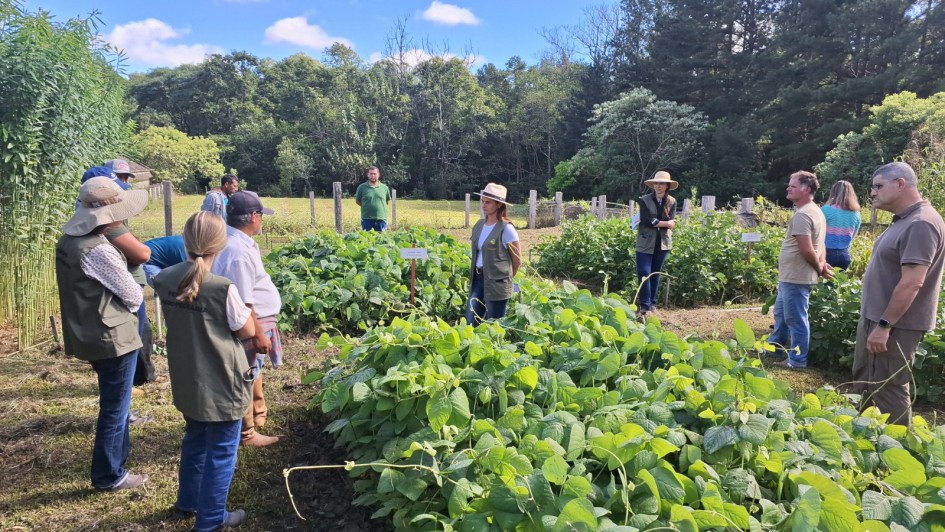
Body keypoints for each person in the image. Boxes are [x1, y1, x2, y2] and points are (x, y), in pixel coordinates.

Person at [154, 212, 255, 531]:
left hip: (186, 375)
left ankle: (188, 501)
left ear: (184, 241)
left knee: (195, 438)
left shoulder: (164, 278)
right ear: (220, 246)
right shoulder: (223, 288)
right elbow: (246, 330)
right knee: (223, 451)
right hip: (222, 379)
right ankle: (211, 520)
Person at [55, 177, 150, 491]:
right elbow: (133, 296)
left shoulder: (68, 241)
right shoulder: (99, 250)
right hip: (114, 337)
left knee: (113, 402)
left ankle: (114, 468)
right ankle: (110, 475)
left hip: (89, 333)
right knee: (116, 408)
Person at [852, 162, 945, 427]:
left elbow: (912, 283)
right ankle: (862, 446)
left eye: (878, 186)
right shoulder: (904, 220)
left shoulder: (921, 223)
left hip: (895, 325)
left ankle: (897, 452)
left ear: (901, 184)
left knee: (887, 387)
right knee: (865, 381)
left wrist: (884, 326)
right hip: (878, 319)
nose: (872, 193)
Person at [211, 191, 281, 447]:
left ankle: (257, 415)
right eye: (261, 215)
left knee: (253, 368)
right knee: (246, 372)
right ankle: (247, 433)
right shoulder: (237, 251)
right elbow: (243, 300)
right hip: (251, 323)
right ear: (253, 216)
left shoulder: (235, 241)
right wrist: (259, 333)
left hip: (255, 321)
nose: (262, 220)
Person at [769, 171, 833, 369]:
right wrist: (821, 263)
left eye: (793, 186)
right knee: (781, 313)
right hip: (791, 275)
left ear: (806, 189)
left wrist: (819, 267)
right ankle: (774, 347)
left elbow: (807, 249)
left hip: (797, 276)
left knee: (796, 319)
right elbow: (820, 245)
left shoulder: (804, 214)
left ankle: (797, 360)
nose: (788, 188)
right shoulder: (815, 211)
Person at [466, 183, 521, 325]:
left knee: (495, 325)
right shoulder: (479, 225)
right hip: (478, 279)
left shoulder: (506, 229)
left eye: (488, 202)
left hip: (497, 282)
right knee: (471, 322)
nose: (484, 205)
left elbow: (517, 260)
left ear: (498, 205)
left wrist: (504, 281)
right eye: (482, 201)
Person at [635, 171, 678, 318]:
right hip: (645, 241)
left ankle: (652, 304)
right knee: (644, 273)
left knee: (655, 274)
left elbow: (671, 219)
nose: (658, 186)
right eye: (656, 183)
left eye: (661, 183)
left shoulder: (671, 201)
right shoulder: (644, 200)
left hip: (663, 242)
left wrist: (660, 222)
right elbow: (646, 220)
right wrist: (666, 223)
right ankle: (644, 306)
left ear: (667, 186)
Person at [822, 180, 862, 270]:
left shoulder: (825, 210)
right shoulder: (856, 213)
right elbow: (853, 235)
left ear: (833, 192)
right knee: (840, 282)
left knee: (824, 283)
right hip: (844, 255)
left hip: (826, 254)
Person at [355, 166, 391, 232]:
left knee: (382, 240)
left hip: (381, 218)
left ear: (378, 175)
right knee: (366, 239)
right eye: (371, 174)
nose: (373, 176)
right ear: (368, 175)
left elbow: (387, 201)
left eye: (374, 174)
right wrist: (367, 206)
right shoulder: (362, 187)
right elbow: (357, 201)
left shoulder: (384, 188)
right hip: (367, 219)